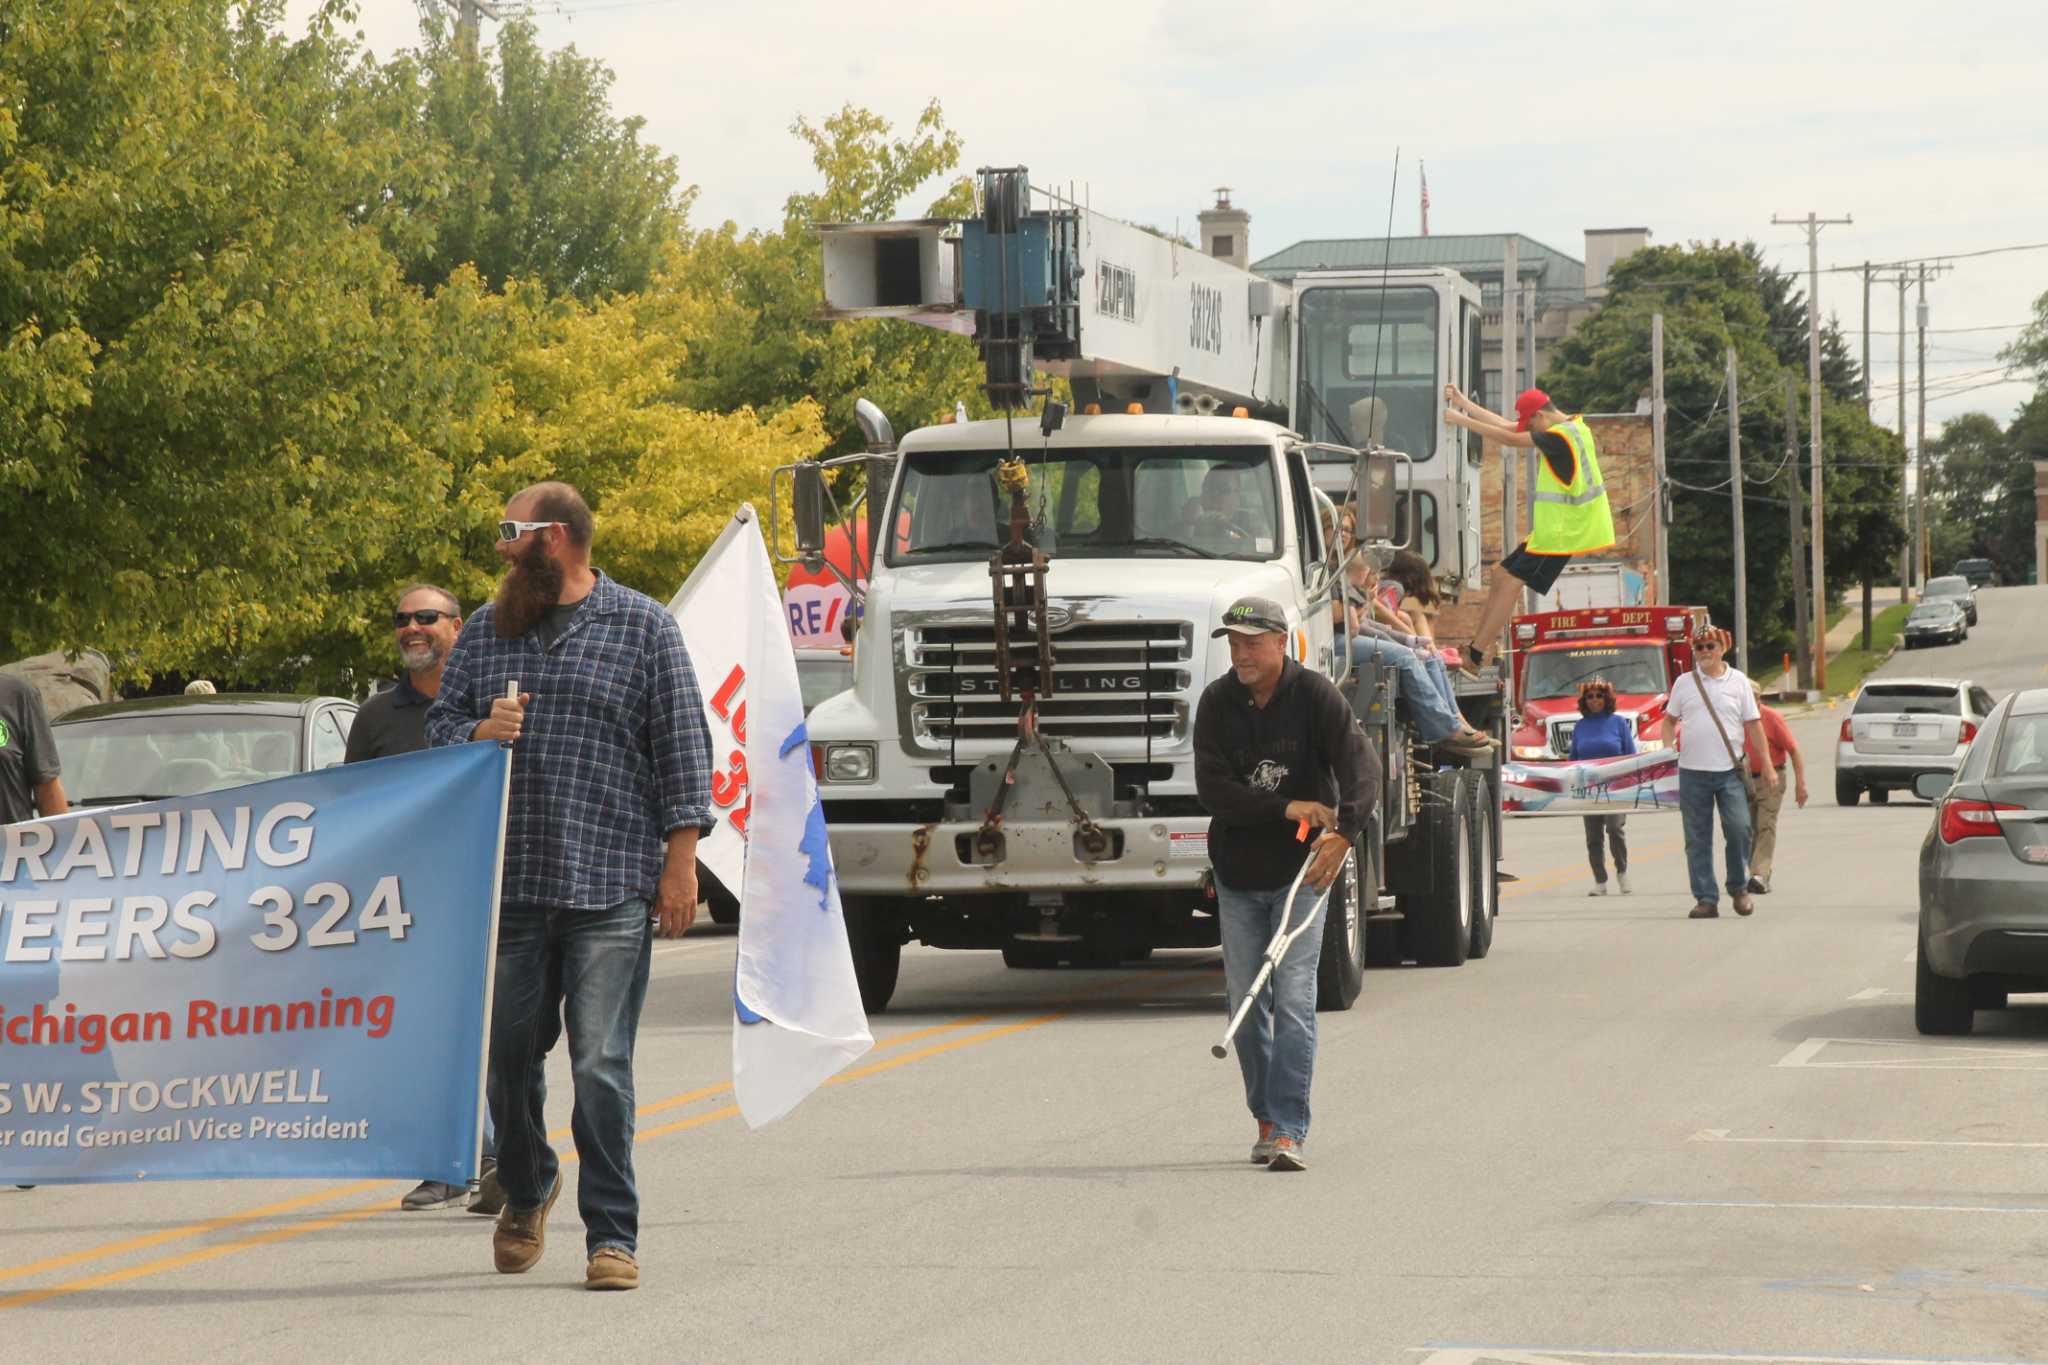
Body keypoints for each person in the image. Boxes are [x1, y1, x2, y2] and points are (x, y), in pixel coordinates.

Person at [426, 481, 715, 1292]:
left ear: (555, 537)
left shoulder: (645, 627)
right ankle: (529, 1184)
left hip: (611, 884)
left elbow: (685, 752)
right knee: (507, 1063)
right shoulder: (486, 632)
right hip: (513, 885)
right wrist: (479, 730)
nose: (500, 547)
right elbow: (440, 728)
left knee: (601, 1065)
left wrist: (680, 863)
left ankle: (611, 1236)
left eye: (511, 531)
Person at [1195, 597, 1378, 1173]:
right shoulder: (1217, 703)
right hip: (1239, 872)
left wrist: (1345, 832)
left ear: (1283, 642)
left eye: (1253, 642)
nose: (1242, 653)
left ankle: (1289, 1130)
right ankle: (1266, 1116)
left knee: (1295, 1000)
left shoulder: (1316, 697)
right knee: (1247, 1004)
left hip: (1303, 873)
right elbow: (1214, 790)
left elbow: (1362, 769)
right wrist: (1287, 807)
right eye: (1234, 642)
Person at [344, 583, 504, 1215]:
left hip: (490, 885)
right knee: (424, 1029)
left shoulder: (497, 702)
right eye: (402, 618)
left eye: (427, 618)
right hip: (406, 899)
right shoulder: (377, 717)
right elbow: (352, 806)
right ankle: (451, 1162)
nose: (412, 627)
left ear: (458, 628)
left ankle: (497, 1156)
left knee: (490, 1029)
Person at [1441, 386, 1616, 669]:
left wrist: (1461, 420)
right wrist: (1463, 404)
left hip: (1565, 533)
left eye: (1530, 423)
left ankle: (1475, 654)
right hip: (1554, 531)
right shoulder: (1574, 426)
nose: (1528, 429)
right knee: (1500, 575)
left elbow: (1510, 437)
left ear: (1539, 415)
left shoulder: (1560, 439)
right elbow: (1510, 427)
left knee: (1511, 582)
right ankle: (1481, 645)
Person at [1659, 628, 1778, 919]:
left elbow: (1753, 725)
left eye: (1709, 646)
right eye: (1698, 647)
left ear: (1722, 648)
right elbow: (1669, 721)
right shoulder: (1684, 684)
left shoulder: (1738, 682)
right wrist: (1666, 748)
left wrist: (1769, 765)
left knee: (1739, 830)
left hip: (1730, 771)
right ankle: (1706, 898)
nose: (1703, 651)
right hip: (1691, 772)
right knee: (1697, 838)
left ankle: (1739, 889)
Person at [1, 671, 66, 1191]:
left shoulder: (16, 695)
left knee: (22, 1014)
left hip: (15, 887)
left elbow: (46, 790)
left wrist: (67, 875)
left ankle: (24, 1137)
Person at [1339, 557, 1493, 755]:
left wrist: (1411, 641)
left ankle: (1456, 721)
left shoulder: (1358, 591)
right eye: (1371, 572)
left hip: (1353, 637)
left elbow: (1374, 626)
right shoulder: (1349, 588)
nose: (1377, 579)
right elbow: (1356, 629)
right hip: (1337, 640)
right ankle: (1447, 729)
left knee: (1430, 657)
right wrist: (1405, 645)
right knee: (1406, 657)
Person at [1567, 678, 1634, 896]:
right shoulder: (1580, 726)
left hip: (1615, 786)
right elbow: (1573, 759)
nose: (1595, 700)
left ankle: (1622, 872)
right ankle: (1600, 880)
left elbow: (1631, 755)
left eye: (1599, 695)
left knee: (1615, 828)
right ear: (1584, 701)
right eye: (1590, 696)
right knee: (1593, 836)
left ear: (1607, 698)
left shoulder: (1618, 723)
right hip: (1589, 787)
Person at [1743, 679, 1807, 895]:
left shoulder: (1771, 718)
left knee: (1765, 825)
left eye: (1753, 697)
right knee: (1745, 828)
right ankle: (1753, 872)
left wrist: (1801, 785)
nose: (1749, 701)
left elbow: (1794, 751)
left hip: (1771, 778)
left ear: (1759, 698)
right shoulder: (1735, 718)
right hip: (1744, 779)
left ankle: (1760, 874)